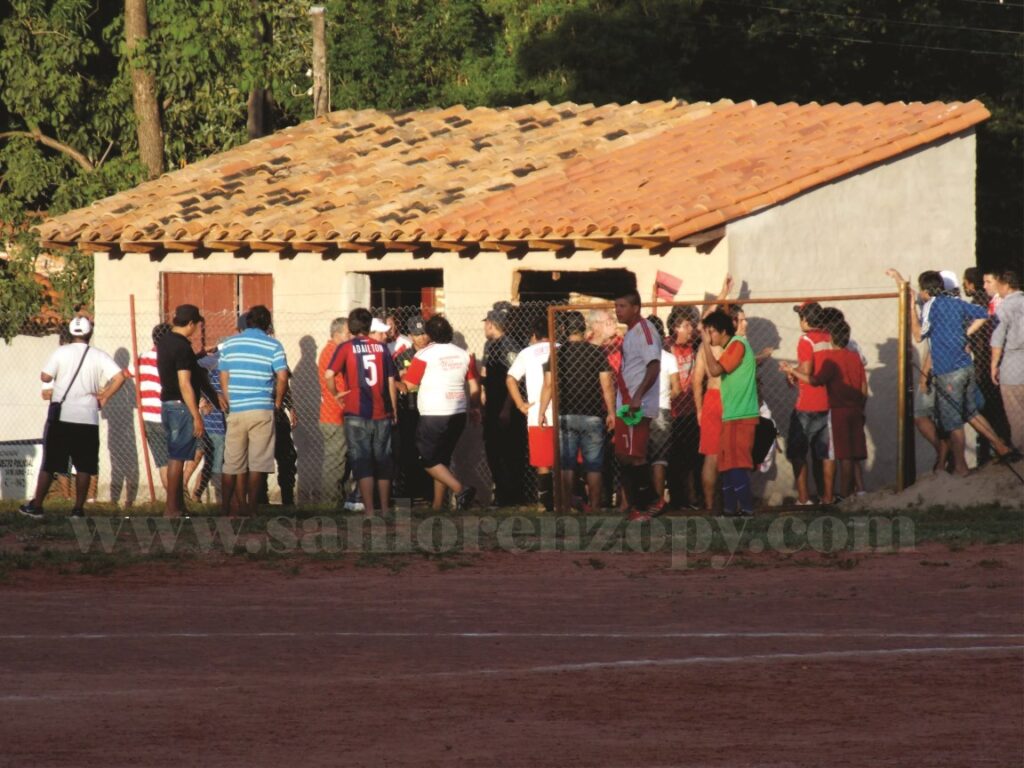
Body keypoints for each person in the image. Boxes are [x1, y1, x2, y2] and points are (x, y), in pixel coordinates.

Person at [911, 271, 1018, 474]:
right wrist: (965, 333)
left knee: (953, 421)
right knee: (970, 411)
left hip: (948, 370)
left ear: (925, 291)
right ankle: (1001, 446)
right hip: (966, 366)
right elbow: (983, 313)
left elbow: (918, 336)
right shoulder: (956, 303)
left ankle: (961, 467)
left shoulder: (930, 306)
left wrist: (910, 311)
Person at [19, 317, 127, 519]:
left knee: (50, 463)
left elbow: (45, 376)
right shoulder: (98, 355)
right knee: (85, 464)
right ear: (89, 333)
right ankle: (78, 508)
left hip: (62, 416)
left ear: (70, 333)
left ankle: (37, 505)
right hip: (87, 417)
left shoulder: (61, 352)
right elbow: (120, 377)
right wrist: (104, 396)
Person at [538, 310, 616, 513]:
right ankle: (596, 506)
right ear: (584, 329)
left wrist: (542, 410)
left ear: (564, 330)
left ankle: (564, 506)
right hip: (592, 415)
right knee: (594, 465)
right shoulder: (596, 352)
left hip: (565, 414)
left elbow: (548, 384)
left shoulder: (558, 353)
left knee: (566, 464)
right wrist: (611, 412)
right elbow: (607, 384)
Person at [402, 314, 481, 511]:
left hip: (434, 412)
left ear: (429, 334)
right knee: (441, 458)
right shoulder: (464, 354)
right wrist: (475, 407)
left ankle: (460, 489)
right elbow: (474, 385)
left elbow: (409, 385)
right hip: (458, 412)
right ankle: (438, 505)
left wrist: (393, 382)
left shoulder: (424, 355)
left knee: (426, 458)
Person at [324, 307, 398, 517]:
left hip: (356, 412)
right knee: (383, 459)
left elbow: (329, 374)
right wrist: (393, 409)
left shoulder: (346, 347)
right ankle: (384, 508)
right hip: (381, 412)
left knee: (362, 460)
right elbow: (391, 381)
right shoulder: (382, 348)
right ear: (369, 326)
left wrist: (336, 393)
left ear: (351, 326)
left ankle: (369, 511)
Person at [781, 320, 867, 501]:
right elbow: (864, 388)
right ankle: (849, 494)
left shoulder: (831, 359)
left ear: (833, 339)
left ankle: (843, 496)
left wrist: (791, 371)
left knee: (841, 455)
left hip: (837, 411)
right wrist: (860, 407)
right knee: (851, 455)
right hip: (856, 409)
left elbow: (814, 380)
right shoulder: (855, 357)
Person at [219, 305, 289, 516]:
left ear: (247, 322)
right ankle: (251, 508)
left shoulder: (229, 344)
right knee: (258, 462)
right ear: (268, 324)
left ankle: (225, 509)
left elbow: (224, 376)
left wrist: (232, 400)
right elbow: (283, 377)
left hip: (237, 409)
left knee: (232, 462)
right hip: (262, 409)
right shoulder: (274, 345)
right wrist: (277, 402)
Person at [155, 305, 219, 518]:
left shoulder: (165, 342)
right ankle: (172, 508)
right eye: (197, 324)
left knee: (177, 455)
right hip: (181, 407)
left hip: (167, 404)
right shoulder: (182, 347)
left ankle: (177, 507)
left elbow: (186, 368)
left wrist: (199, 355)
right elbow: (184, 382)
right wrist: (196, 415)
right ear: (191, 323)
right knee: (178, 457)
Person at [700, 309, 759, 517]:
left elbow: (715, 371)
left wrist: (705, 344)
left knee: (735, 465)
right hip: (732, 415)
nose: (709, 336)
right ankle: (729, 510)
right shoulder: (731, 346)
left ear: (723, 331)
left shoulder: (737, 344)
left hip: (740, 416)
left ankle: (747, 509)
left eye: (711, 332)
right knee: (725, 466)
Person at [612, 290, 661, 521]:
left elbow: (653, 366)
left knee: (635, 455)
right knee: (624, 454)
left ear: (636, 308)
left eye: (622, 306)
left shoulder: (645, 331)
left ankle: (646, 506)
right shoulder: (630, 333)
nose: (617, 310)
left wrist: (638, 396)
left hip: (636, 404)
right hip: (626, 402)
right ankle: (645, 501)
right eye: (616, 306)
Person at [785, 301, 835, 505]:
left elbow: (806, 371)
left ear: (806, 320)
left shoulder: (806, 340)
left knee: (798, 453)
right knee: (824, 453)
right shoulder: (829, 338)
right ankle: (828, 497)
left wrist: (790, 371)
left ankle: (804, 498)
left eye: (800, 317)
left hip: (807, 404)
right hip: (827, 403)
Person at [506, 314, 555, 511]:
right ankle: (568, 498)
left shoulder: (527, 353)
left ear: (534, 335)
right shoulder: (560, 348)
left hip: (537, 412)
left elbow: (510, 379)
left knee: (543, 461)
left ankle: (545, 502)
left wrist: (521, 404)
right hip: (561, 412)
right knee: (565, 459)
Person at [962, 268, 1012, 462]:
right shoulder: (988, 302)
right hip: (988, 361)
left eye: (988, 282)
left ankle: (997, 446)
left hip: (989, 362)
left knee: (992, 407)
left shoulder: (987, 304)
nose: (985, 286)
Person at [480, 307, 524, 506]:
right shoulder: (489, 345)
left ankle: (510, 495)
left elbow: (514, 379)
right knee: (493, 450)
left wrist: (507, 408)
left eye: (486, 323)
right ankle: (501, 492)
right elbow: (484, 375)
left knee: (507, 452)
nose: (484, 327)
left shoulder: (509, 346)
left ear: (491, 324)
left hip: (504, 406)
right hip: (491, 405)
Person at [666, 305, 702, 509]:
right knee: (674, 458)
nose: (691, 329)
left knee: (691, 458)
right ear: (676, 328)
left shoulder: (693, 345)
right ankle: (677, 499)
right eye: (687, 325)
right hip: (672, 411)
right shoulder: (666, 347)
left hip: (689, 410)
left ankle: (692, 497)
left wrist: (722, 295)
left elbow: (706, 322)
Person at [394, 315, 432, 502]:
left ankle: (428, 492)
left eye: (424, 333)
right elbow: (398, 380)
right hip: (408, 408)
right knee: (409, 450)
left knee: (428, 450)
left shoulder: (434, 354)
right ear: (410, 336)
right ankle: (410, 491)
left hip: (430, 409)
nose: (422, 338)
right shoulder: (403, 356)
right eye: (417, 334)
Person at [645, 315, 680, 515]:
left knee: (640, 457)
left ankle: (641, 501)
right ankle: (657, 502)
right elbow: (678, 388)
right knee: (659, 459)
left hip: (641, 409)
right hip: (662, 409)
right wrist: (666, 395)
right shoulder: (669, 358)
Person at [991, 269, 1024, 453]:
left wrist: (994, 364)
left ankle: (1020, 449)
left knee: (1016, 413)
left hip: (1012, 366)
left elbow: (997, 339)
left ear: (1005, 285)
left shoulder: (1003, 307)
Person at [318, 317, 350, 507]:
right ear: (337, 334)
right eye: (347, 334)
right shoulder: (333, 352)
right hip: (334, 414)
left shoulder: (334, 350)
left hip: (337, 414)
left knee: (341, 460)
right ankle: (330, 503)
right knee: (335, 461)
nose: (350, 337)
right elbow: (338, 383)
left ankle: (340, 501)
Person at [137, 323, 172, 491]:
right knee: (175, 460)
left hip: (148, 418)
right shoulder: (171, 358)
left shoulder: (142, 358)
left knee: (163, 462)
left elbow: (125, 373)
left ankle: (172, 502)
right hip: (169, 415)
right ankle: (179, 501)